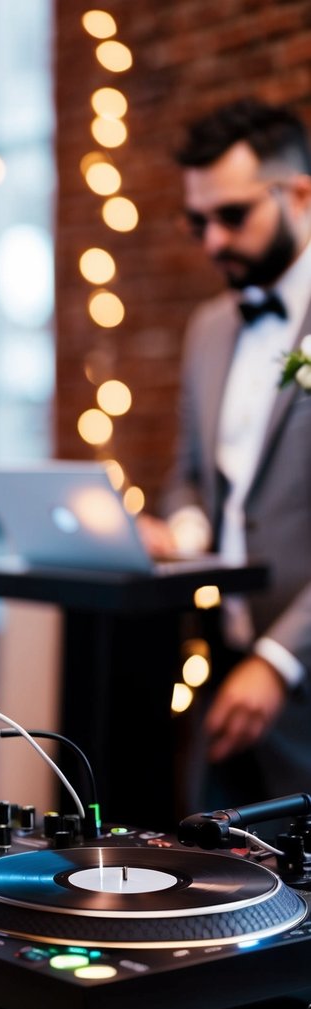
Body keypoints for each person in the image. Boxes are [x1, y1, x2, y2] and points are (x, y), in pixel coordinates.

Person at [139, 96, 311, 811]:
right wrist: (182, 533)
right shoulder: (208, 327)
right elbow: (189, 477)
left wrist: (279, 661)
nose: (211, 242)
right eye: (197, 221)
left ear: (298, 193)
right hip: (221, 662)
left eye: (231, 216)